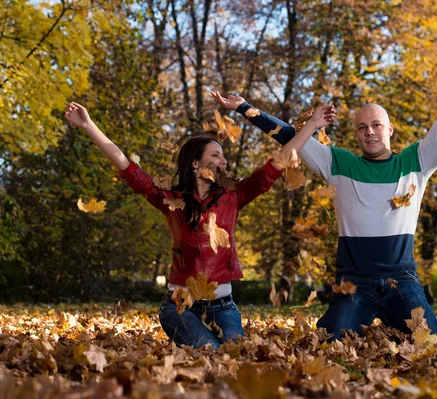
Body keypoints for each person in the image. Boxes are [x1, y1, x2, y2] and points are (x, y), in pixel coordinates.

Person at [212, 44, 437, 340]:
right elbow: (290, 136)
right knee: (331, 343)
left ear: (389, 129)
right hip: (354, 284)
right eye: (362, 127)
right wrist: (244, 107)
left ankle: (392, 325)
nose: (369, 132)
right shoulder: (338, 163)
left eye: (376, 125)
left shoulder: (417, 161)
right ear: (356, 133)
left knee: (428, 341)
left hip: (401, 282)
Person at [64, 102, 336, 348]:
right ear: (196, 164)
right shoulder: (170, 200)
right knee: (210, 353)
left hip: (224, 306)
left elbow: (278, 163)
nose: (224, 161)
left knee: (235, 355)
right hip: (180, 308)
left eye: (223, 156)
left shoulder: (234, 195)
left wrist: (312, 125)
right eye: (216, 155)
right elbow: (126, 166)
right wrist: (88, 125)